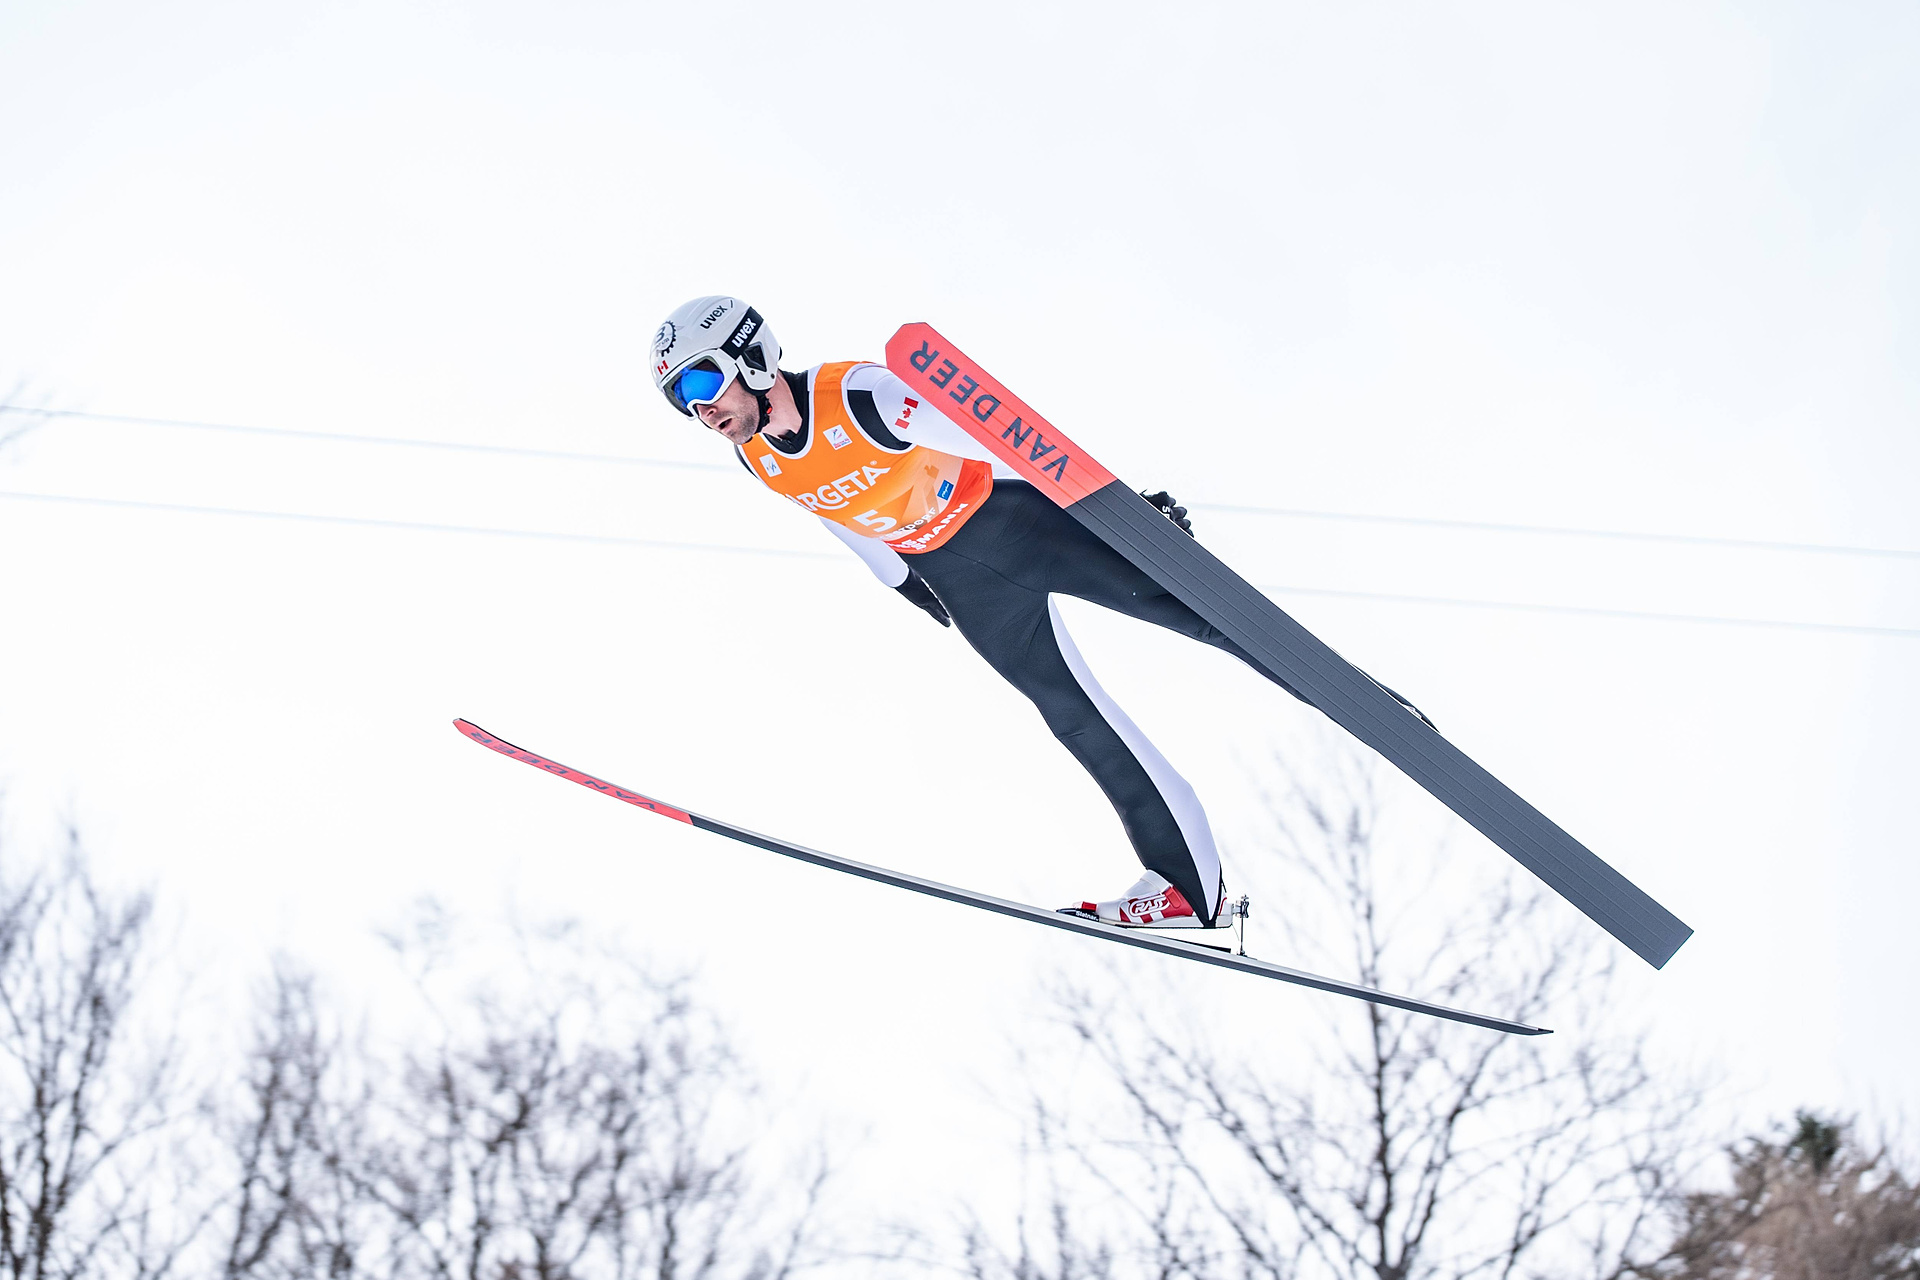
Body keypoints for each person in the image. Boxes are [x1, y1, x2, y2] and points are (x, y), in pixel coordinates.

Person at [650, 295, 1318, 930]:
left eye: (701, 383)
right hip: (962, 583)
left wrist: (1124, 515)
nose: (699, 408)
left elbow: (1006, 441)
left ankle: (1372, 706)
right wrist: (903, 582)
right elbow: (835, 515)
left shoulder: (859, 395)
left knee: (1205, 616)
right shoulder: (759, 457)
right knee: (1073, 716)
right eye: (681, 399)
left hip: (1019, 527)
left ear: (750, 356)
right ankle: (1188, 887)